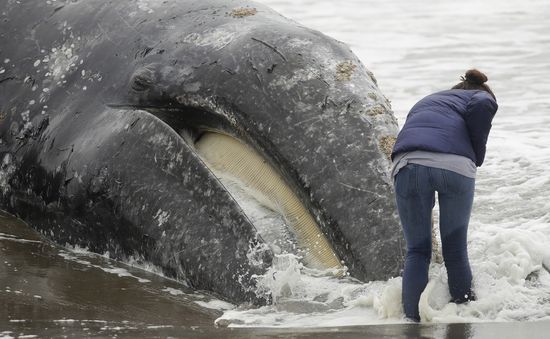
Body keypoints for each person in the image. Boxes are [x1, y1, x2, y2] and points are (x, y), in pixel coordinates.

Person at [391, 69, 498, 322]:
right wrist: (478, 154)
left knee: (417, 250)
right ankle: (464, 315)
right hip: (455, 167)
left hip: (408, 164)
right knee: (455, 250)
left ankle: (411, 321)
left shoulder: (428, 100)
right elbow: (484, 103)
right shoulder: (478, 97)